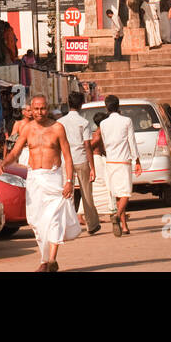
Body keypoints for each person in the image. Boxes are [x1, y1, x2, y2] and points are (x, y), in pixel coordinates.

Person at [0, 95, 80, 271]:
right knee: (36, 221)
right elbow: (16, 151)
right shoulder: (27, 129)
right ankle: (44, 260)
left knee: (54, 218)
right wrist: (3, 163)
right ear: (31, 110)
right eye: (36, 109)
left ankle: (51, 260)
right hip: (35, 179)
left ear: (47, 109)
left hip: (54, 178)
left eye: (42, 109)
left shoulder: (58, 128)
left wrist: (69, 181)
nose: (39, 112)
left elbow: (68, 157)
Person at [97, 94, 142, 236]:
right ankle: (117, 216)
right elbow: (131, 142)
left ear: (106, 107)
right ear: (118, 106)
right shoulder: (126, 121)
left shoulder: (103, 124)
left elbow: (103, 142)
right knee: (126, 193)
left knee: (117, 194)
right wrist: (137, 160)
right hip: (123, 161)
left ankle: (124, 226)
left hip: (110, 161)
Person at [57, 93, 100, 235]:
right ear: (81, 104)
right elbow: (87, 145)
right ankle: (92, 224)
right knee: (86, 193)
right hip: (81, 159)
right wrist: (92, 167)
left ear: (69, 104)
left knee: (67, 193)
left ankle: (67, 225)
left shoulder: (60, 122)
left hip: (65, 160)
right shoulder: (84, 122)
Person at [87, 112, 115, 225]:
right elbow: (89, 147)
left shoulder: (101, 133)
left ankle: (109, 211)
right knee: (104, 186)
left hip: (100, 160)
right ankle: (112, 211)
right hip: (96, 160)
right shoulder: (98, 134)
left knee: (102, 186)